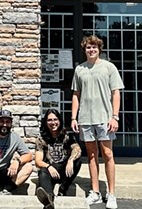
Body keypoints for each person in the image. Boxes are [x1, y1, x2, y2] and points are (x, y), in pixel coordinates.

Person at [71, 35, 124, 209]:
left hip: (105, 119)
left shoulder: (109, 68)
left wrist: (115, 116)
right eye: (88, 47)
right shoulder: (79, 69)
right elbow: (76, 95)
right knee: (92, 155)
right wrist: (74, 117)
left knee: (108, 154)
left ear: (99, 49)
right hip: (86, 118)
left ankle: (112, 193)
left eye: (94, 47)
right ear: (84, 49)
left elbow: (116, 93)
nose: (91, 50)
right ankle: (95, 192)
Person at [35, 109, 82, 209]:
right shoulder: (41, 139)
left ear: (59, 121)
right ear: (46, 122)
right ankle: (48, 200)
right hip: (50, 171)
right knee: (42, 171)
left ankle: (63, 189)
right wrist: (49, 167)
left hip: (64, 169)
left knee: (77, 161)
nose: (53, 123)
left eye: (55, 119)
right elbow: (38, 161)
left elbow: (77, 149)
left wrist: (70, 160)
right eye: (50, 120)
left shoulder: (67, 136)